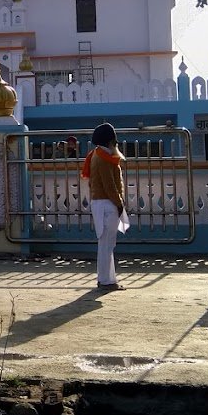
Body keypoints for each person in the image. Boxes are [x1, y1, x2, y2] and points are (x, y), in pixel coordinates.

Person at [82, 122, 128, 291]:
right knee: (107, 244)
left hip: (100, 203)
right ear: (110, 140)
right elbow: (110, 186)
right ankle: (106, 281)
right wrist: (119, 204)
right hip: (107, 204)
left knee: (105, 244)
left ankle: (107, 280)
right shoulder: (104, 158)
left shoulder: (97, 155)